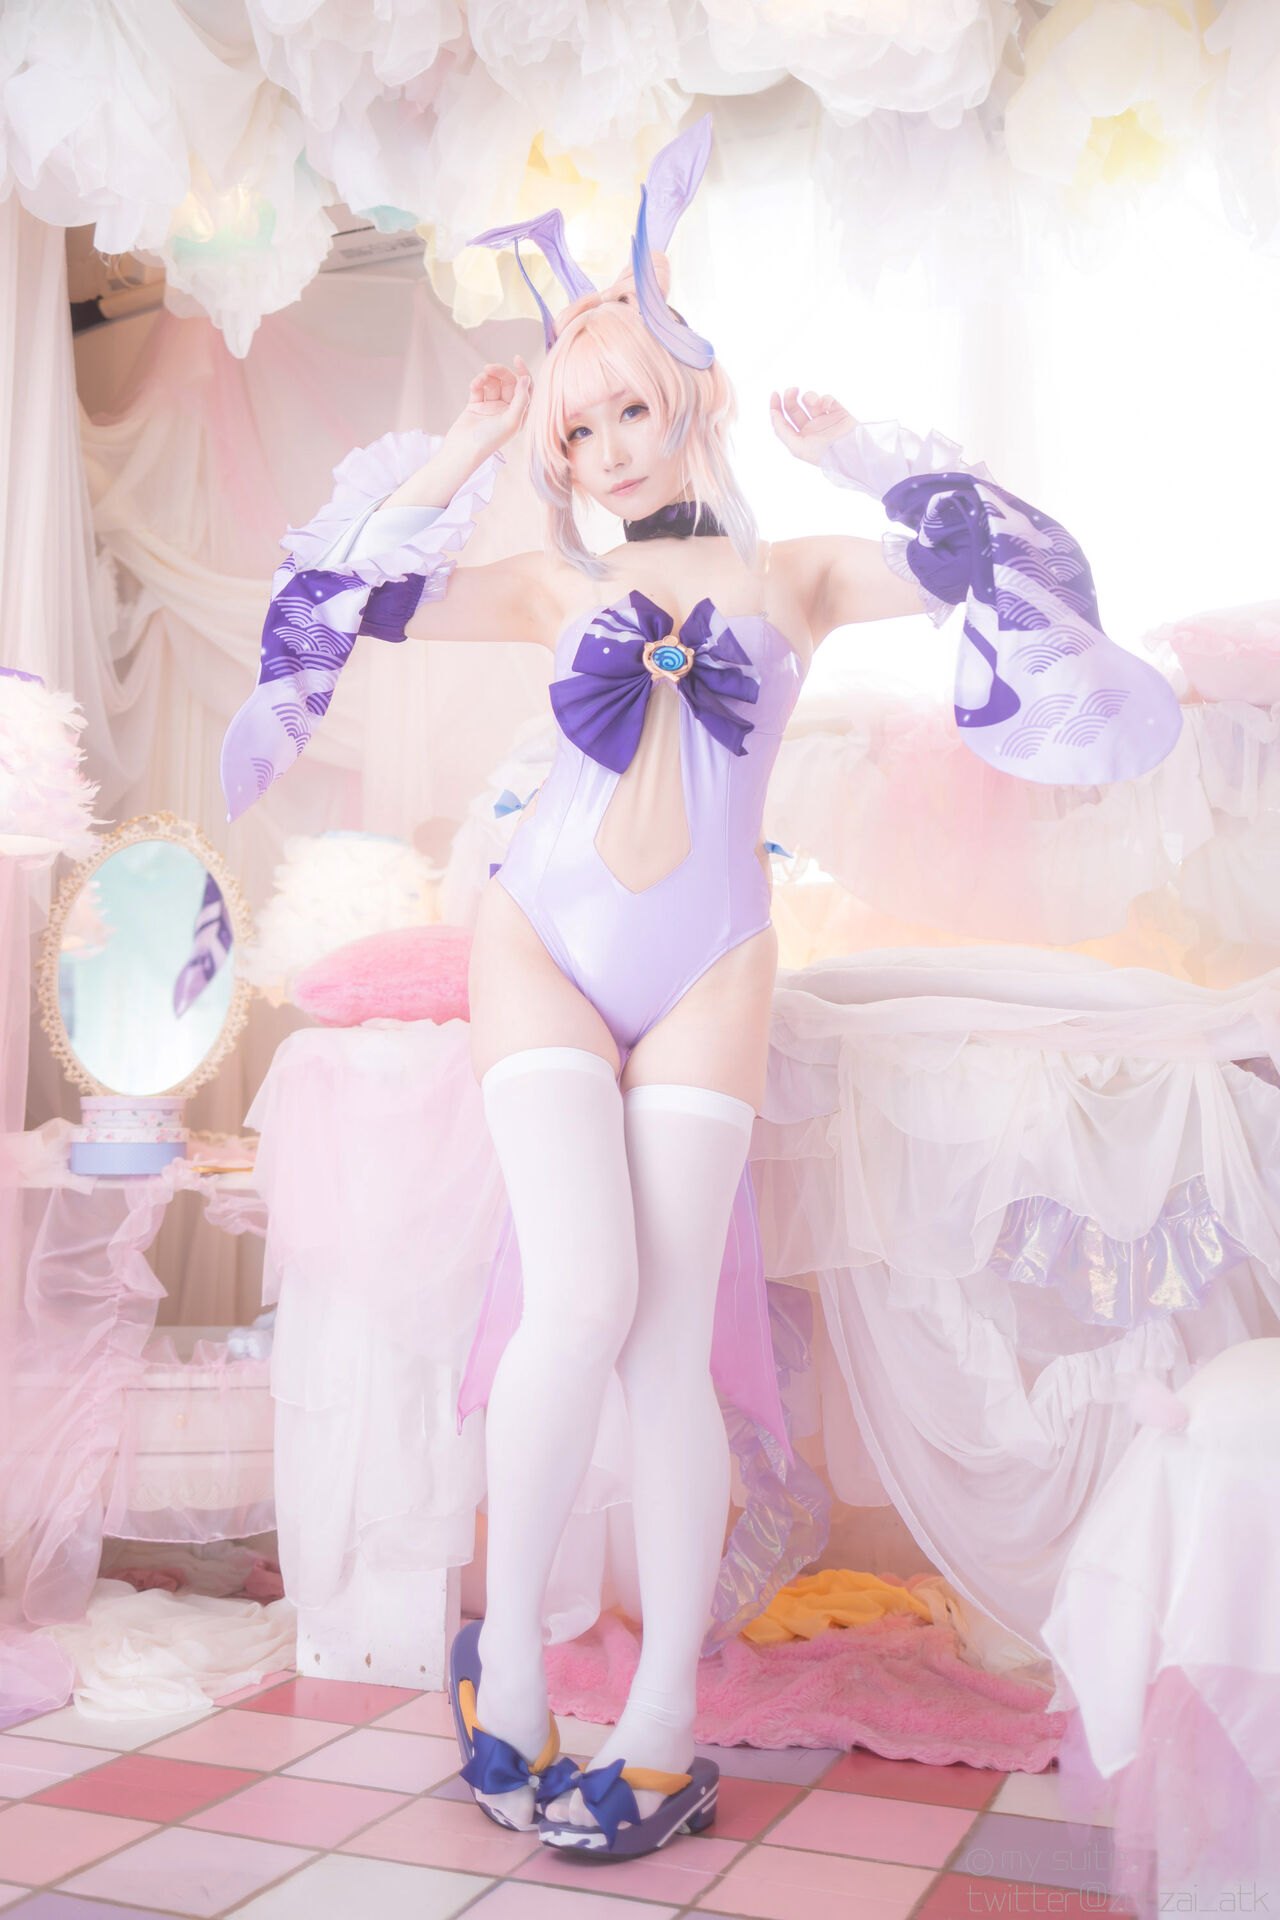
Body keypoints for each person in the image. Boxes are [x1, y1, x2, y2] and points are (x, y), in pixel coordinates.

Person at [220, 117, 1180, 1861]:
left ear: (695, 397)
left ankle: (661, 1718)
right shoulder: (548, 578)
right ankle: (511, 1672)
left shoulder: (792, 577)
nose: (596, 446)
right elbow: (341, 600)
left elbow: (1000, 566)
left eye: (622, 409)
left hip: (715, 966)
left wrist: (861, 452)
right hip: (541, 943)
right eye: (571, 428)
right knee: (581, 1296)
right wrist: (469, 441)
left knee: (669, 1344)